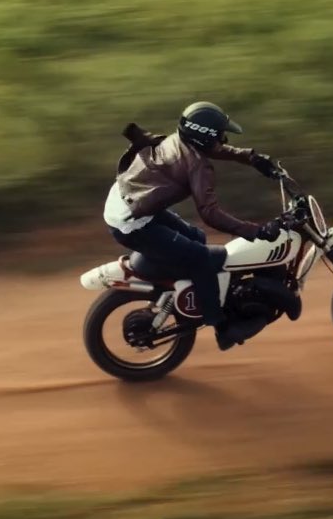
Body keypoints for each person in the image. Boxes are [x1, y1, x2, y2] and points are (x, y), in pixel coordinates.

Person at [104, 101, 289, 350]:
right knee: (201, 258)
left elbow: (215, 149)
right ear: (205, 136)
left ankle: (194, 296)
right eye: (219, 134)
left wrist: (251, 158)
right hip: (131, 223)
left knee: (197, 237)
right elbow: (210, 213)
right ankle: (220, 326)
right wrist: (255, 231)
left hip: (131, 202)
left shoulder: (180, 140)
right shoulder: (197, 165)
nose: (223, 138)